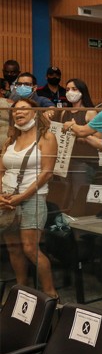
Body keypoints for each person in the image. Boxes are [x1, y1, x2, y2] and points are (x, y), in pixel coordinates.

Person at [0, 98, 59, 299]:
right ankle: (21, 292)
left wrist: (21, 197)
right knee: (14, 249)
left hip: (32, 198)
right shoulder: (11, 140)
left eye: (24, 109)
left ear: (35, 112)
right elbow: (1, 170)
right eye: (15, 110)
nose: (19, 113)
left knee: (30, 248)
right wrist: (2, 195)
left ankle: (51, 296)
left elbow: (47, 173)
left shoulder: (46, 138)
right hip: (7, 200)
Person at [58, 78, 98, 186]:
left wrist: (81, 135)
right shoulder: (64, 113)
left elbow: (98, 137)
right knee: (66, 194)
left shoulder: (90, 112)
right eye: (67, 89)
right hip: (65, 161)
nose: (70, 92)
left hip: (84, 161)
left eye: (74, 89)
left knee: (79, 194)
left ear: (81, 91)